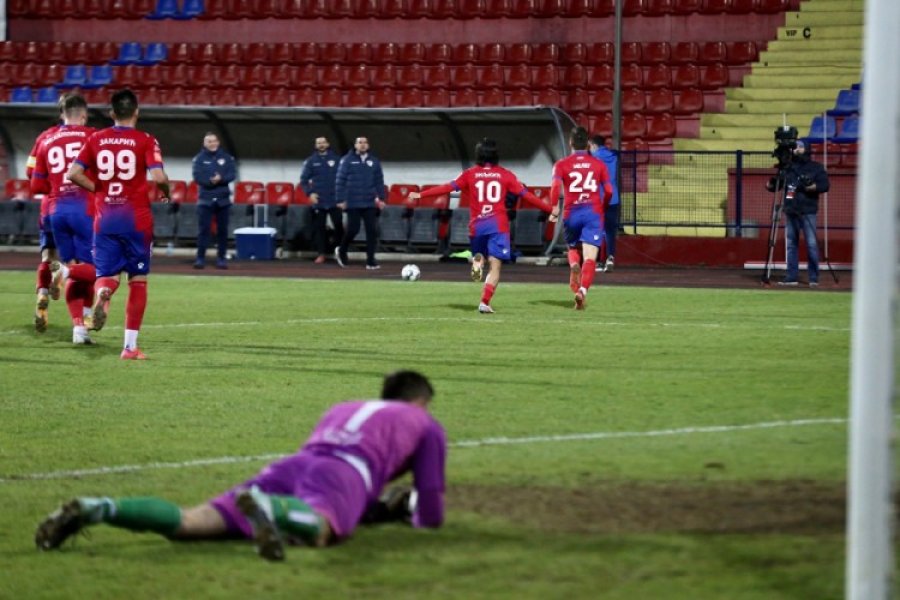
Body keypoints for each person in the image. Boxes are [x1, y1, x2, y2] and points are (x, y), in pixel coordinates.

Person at [35, 370, 446, 562]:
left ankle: (101, 507)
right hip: (344, 474)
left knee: (190, 522)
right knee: (321, 530)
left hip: (295, 463)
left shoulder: (344, 406)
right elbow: (430, 508)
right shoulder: (425, 423)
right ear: (420, 401)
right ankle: (273, 514)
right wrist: (408, 517)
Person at [66, 88, 170, 360]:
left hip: (105, 218)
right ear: (136, 112)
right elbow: (158, 176)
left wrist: (98, 189)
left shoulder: (96, 138)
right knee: (138, 280)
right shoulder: (146, 140)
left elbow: (73, 173)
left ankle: (102, 294)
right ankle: (129, 348)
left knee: (108, 275)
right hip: (136, 219)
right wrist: (166, 191)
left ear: (112, 113)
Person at [409, 138, 549, 313]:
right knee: (495, 265)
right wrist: (550, 209)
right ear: (496, 155)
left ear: (478, 155)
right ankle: (484, 302)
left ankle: (477, 261)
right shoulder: (506, 175)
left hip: (477, 225)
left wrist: (421, 195)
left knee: (480, 255)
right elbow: (527, 196)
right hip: (498, 225)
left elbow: (447, 187)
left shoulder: (470, 174)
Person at [29, 93, 98, 345]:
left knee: (67, 265)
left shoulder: (46, 140)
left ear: (62, 113)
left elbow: (36, 182)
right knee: (98, 269)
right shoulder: (93, 135)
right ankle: (83, 312)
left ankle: (80, 330)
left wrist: (57, 186)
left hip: (56, 210)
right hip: (85, 210)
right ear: (84, 114)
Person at [549, 127, 613, 310]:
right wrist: (604, 206)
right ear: (587, 144)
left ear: (570, 143)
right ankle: (582, 291)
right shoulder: (599, 164)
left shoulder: (561, 164)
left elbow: (555, 187)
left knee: (572, 247)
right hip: (592, 212)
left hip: (571, 212)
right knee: (591, 257)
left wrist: (554, 208)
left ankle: (574, 264)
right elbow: (608, 190)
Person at [26, 95, 66, 333]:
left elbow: (30, 172)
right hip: (79, 206)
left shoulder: (45, 137)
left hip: (49, 206)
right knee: (79, 260)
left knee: (47, 255)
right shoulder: (88, 136)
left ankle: (42, 296)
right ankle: (61, 277)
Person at [765, 139, 830, 287]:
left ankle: (813, 277)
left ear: (807, 149)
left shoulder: (816, 167)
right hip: (790, 210)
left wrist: (811, 187)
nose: (796, 149)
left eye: (800, 147)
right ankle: (791, 276)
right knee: (791, 245)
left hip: (808, 210)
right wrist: (770, 184)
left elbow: (825, 185)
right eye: (795, 147)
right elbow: (777, 185)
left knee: (812, 244)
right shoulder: (788, 168)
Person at [334, 136, 386, 270]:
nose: (362, 145)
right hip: (352, 202)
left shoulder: (374, 161)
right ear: (355, 145)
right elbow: (340, 181)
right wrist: (340, 200)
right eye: (359, 142)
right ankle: (341, 250)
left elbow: (379, 181)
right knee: (353, 229)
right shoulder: (347, 160)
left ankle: (370, 260)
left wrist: (381, 198)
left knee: (371, 231)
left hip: (369, 202)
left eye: (365, 142)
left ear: (368, 145)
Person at [191, 132, 235, 270]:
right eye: (209, 141)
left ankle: (221, 259)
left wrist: (221, 179)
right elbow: (197, 177)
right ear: (205, 144)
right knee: (204, 230)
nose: (212, 143)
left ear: (218, 142)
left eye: (214, 140)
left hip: (223, 200)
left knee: (223, 231)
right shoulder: (199, 159)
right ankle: (200, 258)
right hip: (206, 200)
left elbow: (232, 174)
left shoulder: (227, 158)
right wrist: (211, 181)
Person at [299, 136, 342, 264]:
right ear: (316, 145)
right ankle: (321, 254)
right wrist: (310, 193)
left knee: (339, 227)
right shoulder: (311, 161)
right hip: (320, 201)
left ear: (328, 144)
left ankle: (339, 251)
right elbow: (304, 180)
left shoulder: (337, 159)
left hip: (335, 199)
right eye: (318, 143)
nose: (321, 145)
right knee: (319, 229)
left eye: (323, 142)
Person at [588, 134, 620, 272]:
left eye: (590, 146)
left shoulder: (593, 159)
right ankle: (610, 258)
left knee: (595, 231)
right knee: (610, 232)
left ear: (594, 145)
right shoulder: (613, 156)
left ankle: (597, 261)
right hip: (613, 199)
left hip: (598, 200)